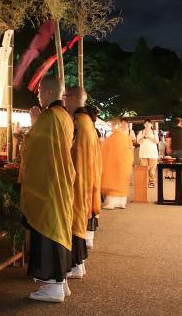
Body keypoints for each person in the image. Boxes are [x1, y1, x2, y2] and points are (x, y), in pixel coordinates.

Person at [20, 75, 75, 302]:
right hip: (59, 182)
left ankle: (52, 285)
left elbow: (35, 147)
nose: (38, 93)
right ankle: (60, 283)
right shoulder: (65, 116)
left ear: (50, 92)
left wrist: (34, 123)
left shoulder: (49, 116)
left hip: (48, 184)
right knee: (58, 230)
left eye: (41, 89)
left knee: (48, 231)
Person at [64, 86, 102, 277]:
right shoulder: (88, 123)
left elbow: (68, 152)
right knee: (78, 222)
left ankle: (75, 264)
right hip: (87, 180)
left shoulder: (77, 122)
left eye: (64, 97)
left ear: (70, 98)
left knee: (73, 223)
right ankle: (78, 264)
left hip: (77, 180)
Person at [101, 119, 134, 210]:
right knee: (122, 183)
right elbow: (130, 150)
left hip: (113, 164)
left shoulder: (111, 138)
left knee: (113, 182)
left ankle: (111, 204)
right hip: (124, 164)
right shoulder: (126, 137)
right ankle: (121, 203)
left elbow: (103, 150)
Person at [137, 119, 159, 188]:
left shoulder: (154, 132)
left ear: (151, 125)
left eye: (148, 123)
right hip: (143, 154)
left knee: (152, 170)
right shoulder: (141, 132)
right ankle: (144, 182)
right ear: (144, 125)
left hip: (153, 154)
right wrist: (144, 136)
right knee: (144, 169)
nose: (147, 125)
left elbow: (156, 141)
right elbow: (138, 142)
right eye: (145, 124)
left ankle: (151, 182)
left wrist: (149, 137)